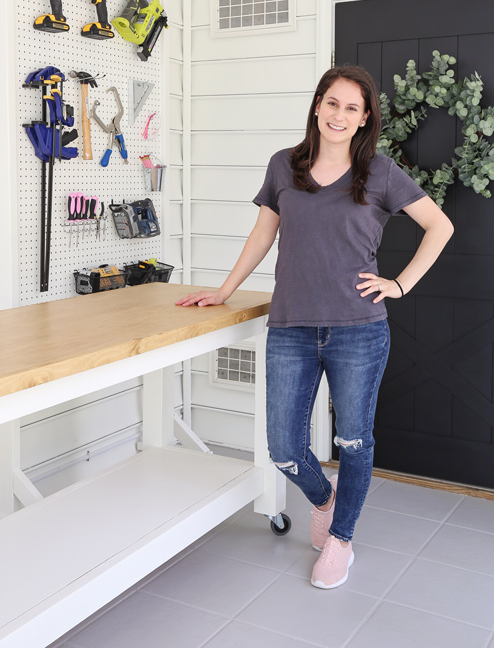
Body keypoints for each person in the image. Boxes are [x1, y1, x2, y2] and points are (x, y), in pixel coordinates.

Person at [176, 65, 454, 589]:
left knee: (353, 442)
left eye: (352, 107)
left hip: (359, 331)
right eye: (332, 103)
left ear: (365, 117)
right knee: (283, 446)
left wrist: (399, 284)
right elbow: (262, 236)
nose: (339, 115)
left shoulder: (381, 173)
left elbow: (440, 225)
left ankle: (342, 539)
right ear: (317, 106)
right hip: (291, 328)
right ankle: (324, 498)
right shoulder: (285, 166)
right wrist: (224, 291)